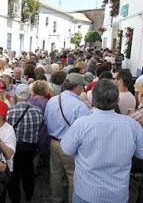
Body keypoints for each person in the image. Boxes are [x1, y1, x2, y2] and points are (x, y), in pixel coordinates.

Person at [60, 79, 143, 203]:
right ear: (117, 101)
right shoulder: (131, 124)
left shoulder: (82, 124)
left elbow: (67, 149)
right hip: (117, 194)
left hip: (86, 191)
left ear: (93, 100)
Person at [44, 73, 91, 203]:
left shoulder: (53, 100)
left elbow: (46, 121)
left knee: (55, 173)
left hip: (54, 142)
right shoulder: (80, 106)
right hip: (71, 145)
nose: (83, 89)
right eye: (82, 86)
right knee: (73, 175)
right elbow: (85, 130)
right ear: (77, 87)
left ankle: (56, 199)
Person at [7, 84, 44, 203]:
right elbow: (41, 125)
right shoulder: (38, 111)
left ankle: (15, 198)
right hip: (31, 147)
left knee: (15, 173)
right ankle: (29, 195)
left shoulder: (10, 111)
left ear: (16, 96)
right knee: (28, 170)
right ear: (29, 95)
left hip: (16, 146)